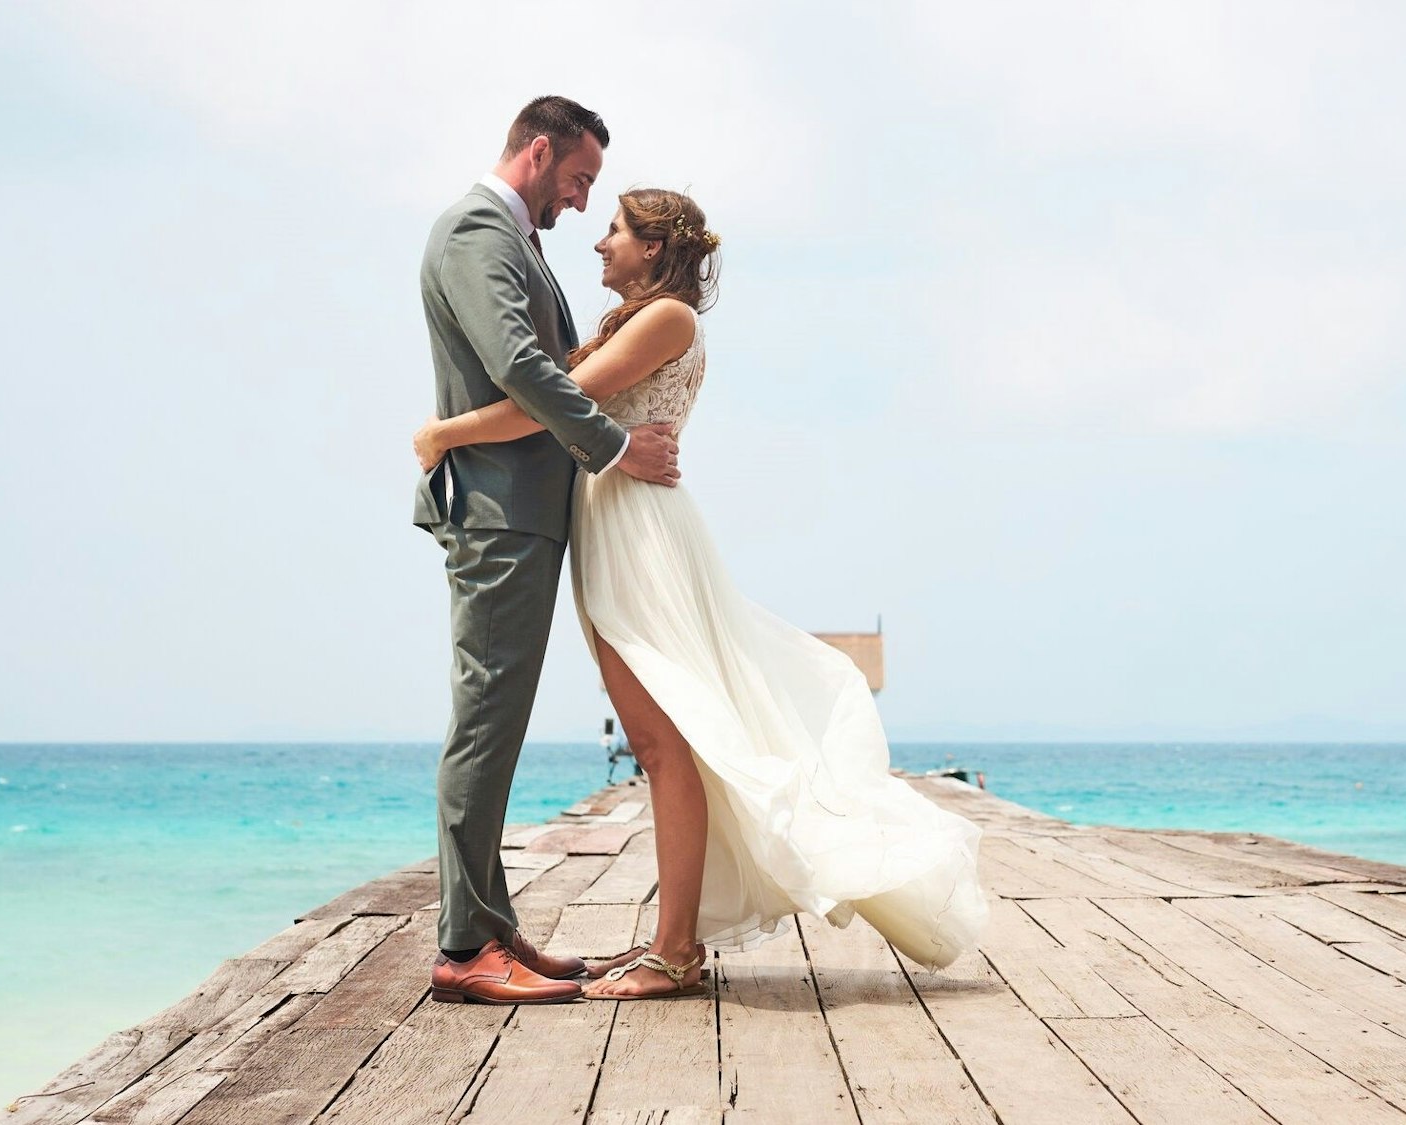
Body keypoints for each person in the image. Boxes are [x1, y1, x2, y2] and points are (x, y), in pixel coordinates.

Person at [413, 186, 988, 1000]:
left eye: (614, 229)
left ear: (654, 247)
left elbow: (549, 406)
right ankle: (670, 941)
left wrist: (446, 432)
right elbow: (561, 396)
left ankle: (676, 950)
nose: (600, 243)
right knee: (663, 739)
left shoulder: (668, 318)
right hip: (614, 526)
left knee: (661, 742)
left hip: (639, 536)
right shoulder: (639, 321)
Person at [414, 95, 681, 1005]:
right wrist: (615, 447)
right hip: (500, 512)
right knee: (486, 722)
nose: (581, 200)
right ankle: (463, 947)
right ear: (537, 152)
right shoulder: (477, 231)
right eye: (578, 178)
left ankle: (489, 924)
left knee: (498, 722)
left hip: (524, 511)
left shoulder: (512, 238)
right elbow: (523, 368)